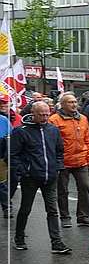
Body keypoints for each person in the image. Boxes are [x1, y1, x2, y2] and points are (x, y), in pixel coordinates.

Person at [10, 101, 71, 253]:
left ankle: (56, 242)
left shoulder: (53, 129)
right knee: (26, 208)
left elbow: (59, 150)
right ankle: (19, 237)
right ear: (33, 113)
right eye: (41, 115)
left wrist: (57, 166)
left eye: (47, 115)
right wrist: (24, 171)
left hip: (50, 176)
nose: (45, 118)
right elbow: (12, 155)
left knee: (52, 210)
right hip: (31, 177)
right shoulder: (21, 131)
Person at [49, 92, 89, 228]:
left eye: (75, 102)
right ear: (62, 104)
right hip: (62, 161)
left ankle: (83, 216)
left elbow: (87, 140)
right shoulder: (54, 120)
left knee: (85, 187)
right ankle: (65, 217)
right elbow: (51, 142)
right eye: (70, 102)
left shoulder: (83, 119)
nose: (74, 104)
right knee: (62, 190)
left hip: (81, 160)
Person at [0, 94, 14, 217]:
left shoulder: (3, 120)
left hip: (1, 157)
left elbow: (11, 137)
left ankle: (7, 207)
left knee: (2, 183)